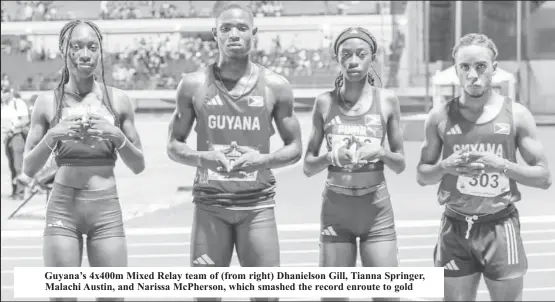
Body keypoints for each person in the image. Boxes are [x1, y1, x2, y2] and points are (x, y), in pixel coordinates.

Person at [167, 2, 302, 301]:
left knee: (266, 296)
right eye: (225, 28)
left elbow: (295, 148)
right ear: (215, 34)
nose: (233, 34)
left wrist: (263, 160)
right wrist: (204, 157)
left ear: (254, 33)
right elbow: (174, 145)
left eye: (241, 28)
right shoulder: (192, 85)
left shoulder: (276, 86)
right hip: (210, 207)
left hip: (257, 207)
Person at [416, 33, 552, 301]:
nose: (472, 75)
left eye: (480, 66)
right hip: (454, 228)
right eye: (464, 67)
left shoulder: (517, 115)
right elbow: (422, 175)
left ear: (494, 67)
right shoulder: (439, 117)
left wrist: (502, 165)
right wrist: (445, 166)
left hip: (500, 228)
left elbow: (544, 177)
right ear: (456, 70)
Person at [21, 19, 145, 301]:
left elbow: (138, 165)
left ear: (101, 51)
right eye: (76, 47)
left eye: (92, 46)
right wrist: (54, 135)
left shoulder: (119, 100)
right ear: (63, 50)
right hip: (63, 210)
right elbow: (29, 167)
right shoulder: (47, 102)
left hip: (107, 211)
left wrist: (116, 135)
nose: (85, 54)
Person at [303, 27, 406, 302]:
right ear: (337, 58)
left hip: (376, 211)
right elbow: (308, 166)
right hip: (336, 210)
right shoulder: (324, 103)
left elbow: (400, 164)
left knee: (387, 297)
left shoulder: (387, 100)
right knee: (334, 298)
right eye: (346, 54)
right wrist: (331, 157)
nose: (353, 61)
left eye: (361, 54)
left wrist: (380, 151)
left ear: (372, 57)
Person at [1, 86, 30, 200]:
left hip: (16, 136)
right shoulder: (3, 106)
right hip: (7, 138)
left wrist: (12, 128)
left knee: (18, 166)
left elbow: (25, 120)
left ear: (9, 93)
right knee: (11, 166)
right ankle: (14, 191)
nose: (2, 95)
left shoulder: (18, 103)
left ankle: (20, 192)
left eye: (3, 93)